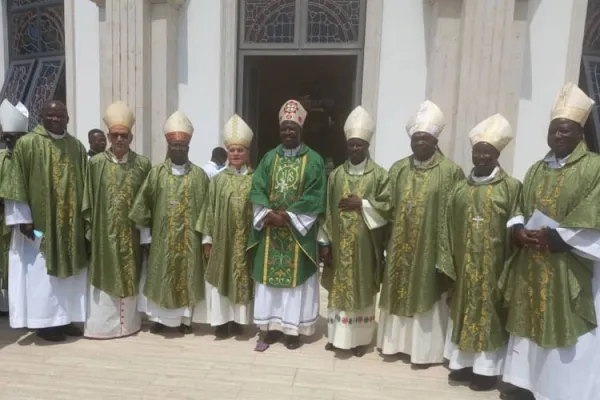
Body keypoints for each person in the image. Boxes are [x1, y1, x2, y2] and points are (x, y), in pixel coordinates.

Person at [499, 82, 600, 400]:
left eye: (566, 130)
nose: (558, 136)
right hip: (533, 264)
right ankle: (526, 384)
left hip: (570, 265)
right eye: (554, 130)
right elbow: (518, 207)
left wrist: (563, 238)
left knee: (567, 338)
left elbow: (595, 210)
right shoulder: (535, 169)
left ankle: (559, 392)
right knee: (528, 325)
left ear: (580, 133)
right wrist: (517, 230)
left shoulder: (595, 168)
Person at [377, 100, 465, 367]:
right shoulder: (399, 168)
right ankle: (393, 345)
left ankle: (425, 352)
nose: (420, 144)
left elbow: (456, 211)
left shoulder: (450, 171)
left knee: (428, 293)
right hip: (399, 246)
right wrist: (366, 205)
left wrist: (448, 252)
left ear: (435, 140)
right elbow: (384, 203)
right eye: (416, 139)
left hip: (431, 248)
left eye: (425, 139)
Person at [437, 114, 520, 391]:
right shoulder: (459, 189)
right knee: (462, 311)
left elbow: (517, 227)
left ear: (498, 154)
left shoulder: (511, 188)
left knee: (489, 316)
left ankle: (486, 371)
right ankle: (462, 365)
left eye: (488, 152)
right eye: (477, 151)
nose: (482, 156)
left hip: (494, 269)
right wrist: (447, 264)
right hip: (464, 268)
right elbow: (446, 227)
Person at [0, 100, 88, 342]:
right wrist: (23, 220)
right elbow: (16, 182)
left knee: (70, 277)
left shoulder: (76, 147)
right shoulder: (28, 144)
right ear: (41, 117)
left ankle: (66, 318)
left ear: (68, 118)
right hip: (38, 228)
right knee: (42, 276)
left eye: (60, 115)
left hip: (70, 227)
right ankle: (45, 324)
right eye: (50, 115)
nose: (55, 119)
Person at [248, 99, 326, 351]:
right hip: (270, 231)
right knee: (269, 284)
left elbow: (316, 194)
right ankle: (269, 328)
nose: (288, 132)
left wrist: (288, 217)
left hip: (296, 235)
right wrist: (268, 214)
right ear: (279, 130)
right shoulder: (269, 158)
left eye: (292, 128)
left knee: (296, 286)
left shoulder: (314, 160)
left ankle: (293, 331)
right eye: (284, 128)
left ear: (301, 129)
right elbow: (257, 187)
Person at [318, 106, 390, 357]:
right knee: (339, 290)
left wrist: (363, 204)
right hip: (339, 245)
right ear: (347, 146)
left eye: (360, 145)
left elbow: (388, 207)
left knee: (361, 291)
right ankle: (336, 336)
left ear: (367, 145)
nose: (355, 149)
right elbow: (328, 210)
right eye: (352, 145)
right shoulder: (336, 175)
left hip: (365, 248)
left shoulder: (380, 175)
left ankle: (360, 340)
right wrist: (324, 242)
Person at [130, 110, 210, 334]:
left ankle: (185, 321)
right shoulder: (156, 174)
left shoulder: (199, 176)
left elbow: (207, 210)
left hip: (189, 241)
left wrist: (206, 239)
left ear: (188, 148)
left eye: (182, 146)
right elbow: (143, 206)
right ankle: (158, 320)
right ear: (168, 147)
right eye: (174, 146)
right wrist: (146, 237)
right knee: (160, 277)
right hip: (161, 240)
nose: (178, 149)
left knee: (187, 278)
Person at [82, 101, 152, 339]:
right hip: (104, 235)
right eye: (115, 135)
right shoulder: (95, 164)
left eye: (124, 135)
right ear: (109, 136)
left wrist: (145, 235)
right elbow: (88, 199)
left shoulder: (143, 164)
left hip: (131, 234)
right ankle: (103, 327)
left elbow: (147, 203)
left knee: (131, 273)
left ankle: (129, 325)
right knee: (104, 275)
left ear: (131, 136)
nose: (119, 139)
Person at [197, 114, 255, 338]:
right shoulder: (218, 180)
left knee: (241, 277)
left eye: (240, 150)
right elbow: (209, 210)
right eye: (232, 150)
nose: (236, 154)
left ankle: (239, 321)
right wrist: (207, 239)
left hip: (245, 240)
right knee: (221, 277)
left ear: (247, 152)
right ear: (227, 152)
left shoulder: (255, 179)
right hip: (222, 240)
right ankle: (221, 322)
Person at [0, 100, 29, 317]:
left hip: (26, 224)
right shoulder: (1, 158)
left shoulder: (31, 158)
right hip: (3, 219)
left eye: (17, 138)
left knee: (21, 263)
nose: (12, 142)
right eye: (8, 137)